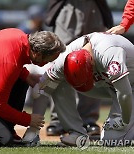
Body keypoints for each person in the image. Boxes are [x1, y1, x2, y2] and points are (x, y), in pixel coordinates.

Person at [32, 32, 134, 146]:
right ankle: (76, 133)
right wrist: (32, 131)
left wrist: (124, 120)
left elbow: (125, 93)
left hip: (129, 87)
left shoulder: (109, 52)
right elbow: (42, 88)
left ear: (91, 63)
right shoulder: (66, 56)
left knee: (111, 142)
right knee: (56, 83)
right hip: (110, 85)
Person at [44, 0, 113, 137]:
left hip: (95, 6)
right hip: (68, 6)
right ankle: (58, 120)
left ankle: (88, 120)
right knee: (61, 60)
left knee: (93, 61)